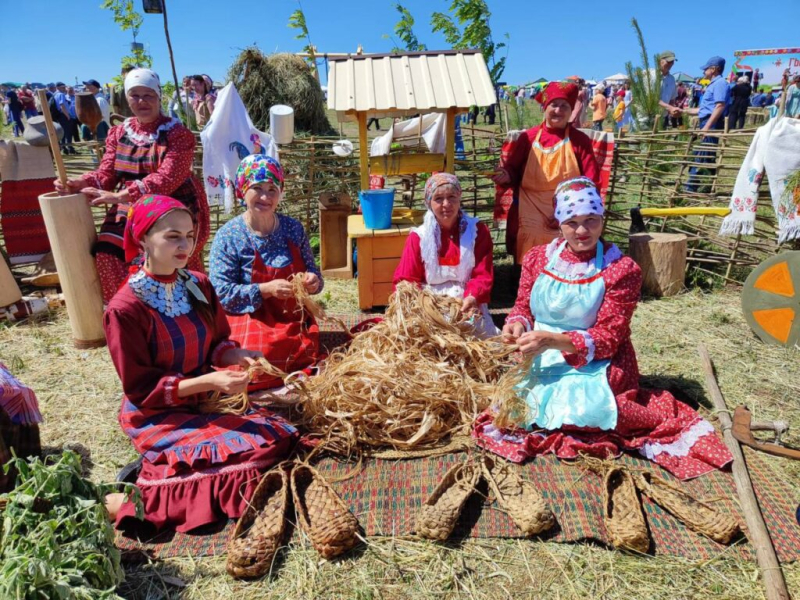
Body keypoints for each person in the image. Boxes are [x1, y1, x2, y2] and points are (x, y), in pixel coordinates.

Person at [473, 177, 733, 480]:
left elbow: (610, 336)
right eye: (572, 222)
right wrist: (518, 325)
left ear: (602, 219)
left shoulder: (621, 269)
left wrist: (553, 340)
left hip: (594, 360)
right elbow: (522, 307)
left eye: (591, 221)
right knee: (511, 412)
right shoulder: (538, 258)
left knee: (591, 413)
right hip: (538, 355)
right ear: (559, 222)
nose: (582, 231)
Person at [102, 195, 297, 532]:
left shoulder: (197, 284)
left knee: (279, 437)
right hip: (157, 410)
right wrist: (211, 382)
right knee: (245, 464)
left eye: (190, 235)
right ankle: (141, 494)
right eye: (172, 236)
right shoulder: (125, 309)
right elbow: (140, 388)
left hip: (203, 400)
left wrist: (238, 356)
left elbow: (216, 344)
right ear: (143, 237)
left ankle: (173, 467)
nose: (185, 245)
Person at [53, 68, 210, 303]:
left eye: (148, 95)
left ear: (158, 97)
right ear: (127, 98)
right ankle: (127, 310)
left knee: (169, 252)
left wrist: (121, 196)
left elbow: (167, 178)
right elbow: (106, 173)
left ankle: (183, 310)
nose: (141, 101)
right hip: (129, 206)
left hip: (172, 204)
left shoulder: (177, 134)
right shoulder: (119, 133)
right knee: (108, 253)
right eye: (135, 95)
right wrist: (81, 183)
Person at [209, 155, 323, 388]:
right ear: (242, 190)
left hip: (293, 317)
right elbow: (220, 293)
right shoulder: (229, 236)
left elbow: (315, 273)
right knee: (260, 362)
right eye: (257, 188)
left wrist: (313, 281)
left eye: (272, 189)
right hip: (252, 317)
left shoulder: (293, 228)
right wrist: (265, 290)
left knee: (308, 355)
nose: (265, 197)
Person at [492, 82, 600, 265]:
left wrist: (567, 211)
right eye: (554, 105)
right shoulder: (528, 137)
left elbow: (590, 180)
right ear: (545, 106)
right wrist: (506, 176)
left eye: (564, 106)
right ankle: (524, 278)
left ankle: (566, 279)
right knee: (530, 234)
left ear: (572, 110)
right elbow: (513, 170)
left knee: (567, 237)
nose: (558, 110)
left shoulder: (579, 140)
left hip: (569, 206)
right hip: (530, 205)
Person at [393, 173, 498, 339]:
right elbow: (407, 280)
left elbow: (482, 274)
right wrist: (423, 306)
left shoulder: (477, 231)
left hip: (466, 302)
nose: (446, 204)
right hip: (429, 303)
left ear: (460, 198)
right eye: (438, 198)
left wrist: (472, 297)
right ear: (429, 202)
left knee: (473, 343)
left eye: (452, 197)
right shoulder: (419, 237)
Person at [683, 57, 731, 193]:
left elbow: (719, 106)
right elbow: (705, 108)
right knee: (706, 154)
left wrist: (707, 127)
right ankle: (707, 185)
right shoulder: (713, 84)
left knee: (703, 154)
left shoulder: (720, 83)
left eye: (706, 68)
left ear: (714, 69)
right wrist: (684, 111)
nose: (704, 71)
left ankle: (691, 188)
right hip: (707, 121)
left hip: (712, 123)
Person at [657, 51, 681, 129]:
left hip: (663, 117)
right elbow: (652, 99)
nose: (671, 64)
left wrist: (672, 110)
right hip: (647, 118)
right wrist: (670, 108)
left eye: (672, 62)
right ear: (660, 61)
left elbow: (672, 99)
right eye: (669, 61)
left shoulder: (671, 79)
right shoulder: (650, 75)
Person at [53, 82, 76, 154]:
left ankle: (64, 147)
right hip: (64, 115)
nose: (64, 88)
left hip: (60, 115)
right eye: (63, 87)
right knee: (68, 133)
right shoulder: (61, 94)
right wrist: (67, 115)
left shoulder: (55, 94)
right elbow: (62, 105)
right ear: (58, 87)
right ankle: (69, 148)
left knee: (62, 132)